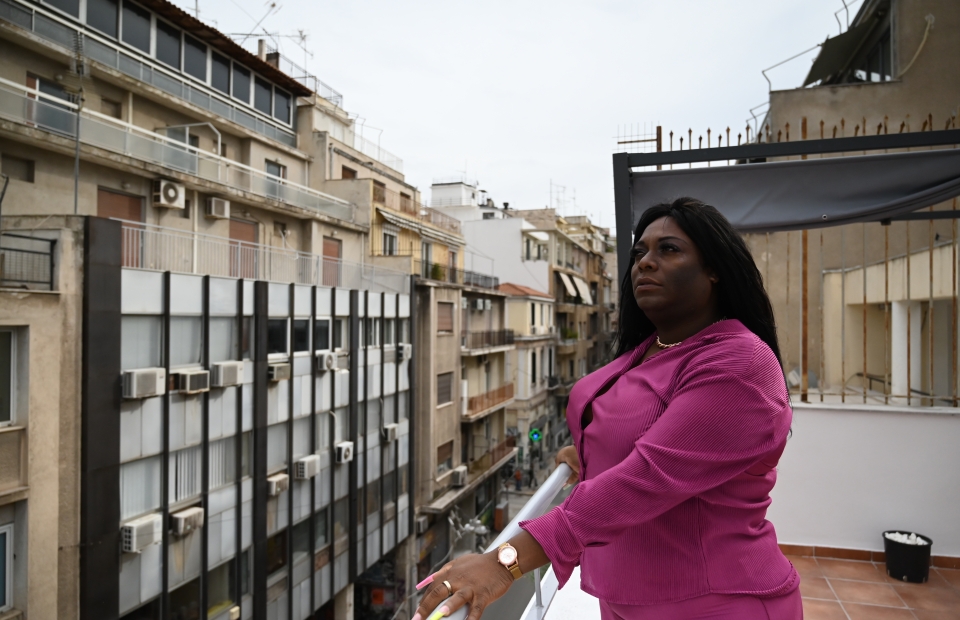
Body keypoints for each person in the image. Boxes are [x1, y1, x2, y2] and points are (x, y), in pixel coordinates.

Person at [411, 198, 800, 620]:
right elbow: (639, 427)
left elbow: (646, 479)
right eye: (639, 253)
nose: (645, 263)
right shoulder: (650, 350)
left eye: (668, 249)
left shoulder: (740, 363)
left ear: (715, 269)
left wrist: (504, 561)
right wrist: (591, 451)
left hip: (717, 600)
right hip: (624, 599)